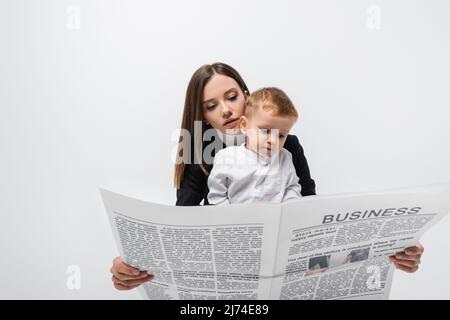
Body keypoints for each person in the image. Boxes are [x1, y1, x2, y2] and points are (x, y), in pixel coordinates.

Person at [109, 62, 424, 291]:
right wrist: (133, 264)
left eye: (232, 97)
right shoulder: (199, 152)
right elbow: (181, 225)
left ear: (248, 97)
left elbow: (311, 210)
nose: (226, 110)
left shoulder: (287, 147)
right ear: (201, 116)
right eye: (211, 105)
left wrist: (393, 247)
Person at [207, 87, 303, 204]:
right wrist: (229, 218)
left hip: (274, 219)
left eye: (281, 135)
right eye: (265, 131)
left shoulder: (285, 158)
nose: (273, 140)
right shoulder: (226, 158)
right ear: (244, 125)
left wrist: (289, 207)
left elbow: (291, 187)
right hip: (238, 220)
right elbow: (217, 195)